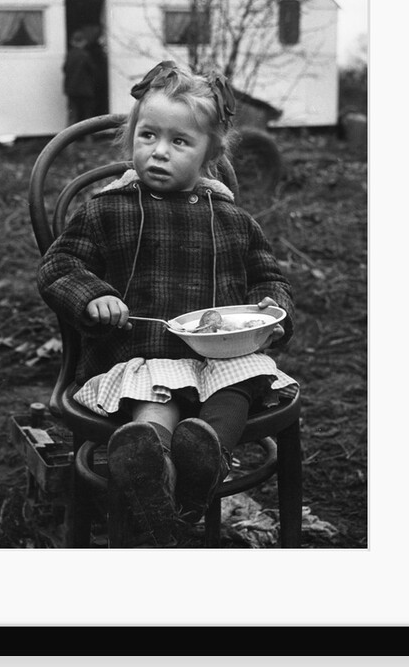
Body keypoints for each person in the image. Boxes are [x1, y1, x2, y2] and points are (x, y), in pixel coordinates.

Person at [37, 60, 297, 547]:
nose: (159, 152)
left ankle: (201, 457)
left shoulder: (232, 219)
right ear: (132, 135)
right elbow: (59, 267)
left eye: (179, 142)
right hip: (142, 351)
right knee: (153, 400)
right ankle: (150, 458)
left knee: (239, 383)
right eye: (148, 135)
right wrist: (94, 296)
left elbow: (269, 278)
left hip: (222, 356)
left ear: (207, 154)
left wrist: (271, 313)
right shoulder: (107, 209)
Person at [62, 29, 98, 125]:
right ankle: (88, 138)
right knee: (87, 115)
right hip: (85, 90)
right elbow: (93, 70)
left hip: (72, 90)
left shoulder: (70, 55)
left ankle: (70, 138)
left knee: (73, 114)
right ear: (83, 42)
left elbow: (65, 69)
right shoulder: (85, 55)